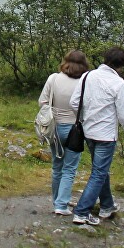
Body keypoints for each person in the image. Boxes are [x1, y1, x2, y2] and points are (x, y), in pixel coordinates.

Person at [69, 46, 124, 226]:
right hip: (106, 135)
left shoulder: (87, 76)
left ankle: (107, 205)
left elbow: (74, 102)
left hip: (89, 132)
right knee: (99, 173)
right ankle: (82, 212)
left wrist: (85, 118)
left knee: (101, 170)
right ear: (121, 65)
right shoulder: (119, 84)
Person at [38, 50, 89, 216]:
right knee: (70, 168)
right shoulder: (85, 81)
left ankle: (56, 201)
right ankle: (61, 204)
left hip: (54, 128)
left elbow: (42, 102)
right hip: (75, 129)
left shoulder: (53, 78)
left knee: (57, 166)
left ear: (65, 61)